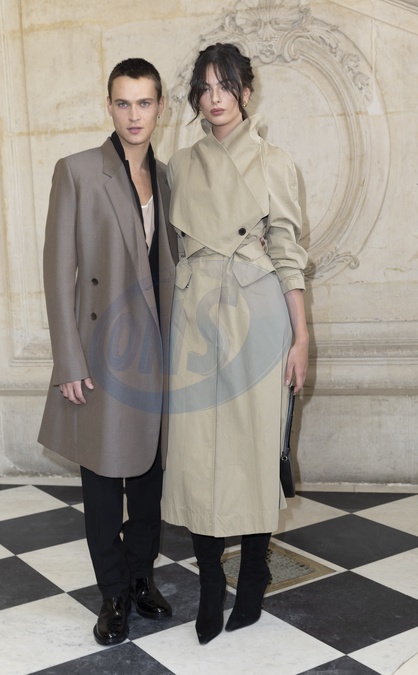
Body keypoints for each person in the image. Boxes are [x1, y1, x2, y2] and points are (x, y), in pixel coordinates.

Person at [162, 43, 309, 644]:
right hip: (196, 315)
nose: (215, 98)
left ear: (246, 92)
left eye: (226, 86)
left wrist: (302, 338)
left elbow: (289, 255)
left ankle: (252, 574)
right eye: (205, 87)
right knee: (196, 453)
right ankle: (208, 584)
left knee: (253, 447)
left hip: (259, 312)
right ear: (196, 96)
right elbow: (171, 246)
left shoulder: (277, 163)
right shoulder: (179, 164)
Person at [38, 58, 178, 645]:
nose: (133, 115)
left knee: (148, 477)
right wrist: (68, 360)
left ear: (160, 107)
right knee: (101, 480)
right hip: (99, 352)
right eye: (123, 103)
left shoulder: (167, 177)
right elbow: (57, 271)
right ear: (109, 106)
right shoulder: (77, 171)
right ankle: (113, 594)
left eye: (144, 102)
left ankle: (142, 577)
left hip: (155, 352)